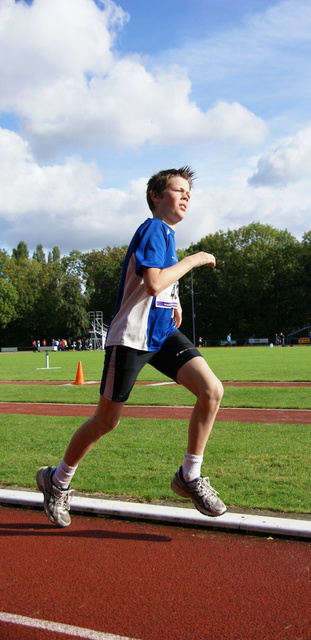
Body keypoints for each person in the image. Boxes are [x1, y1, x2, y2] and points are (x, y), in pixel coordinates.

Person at [36, 166, 226, 527]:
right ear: (156, 197)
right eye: (178, 190)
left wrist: (176, 302)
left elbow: (159, 286)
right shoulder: (155, 228)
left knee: (212, 391)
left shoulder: (166, 236)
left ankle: (189, 475)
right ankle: (56, 481)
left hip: (161, 334)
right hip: (132, 337)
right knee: (106, 421)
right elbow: (153, 283)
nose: (186, 196)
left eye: (189, 192)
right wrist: (195, 260)